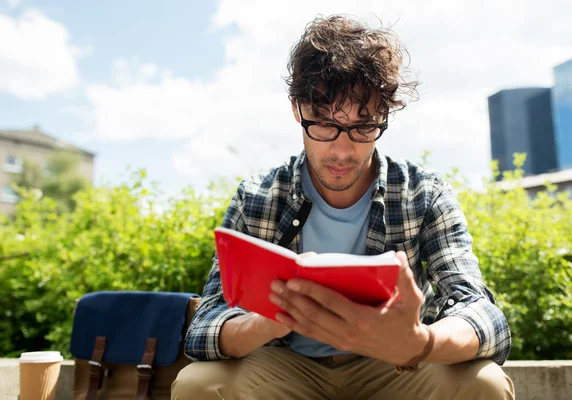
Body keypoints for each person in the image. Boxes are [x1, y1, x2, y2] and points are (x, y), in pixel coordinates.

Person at [172, 14, 515, 400]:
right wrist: (270, 321)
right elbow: (203, 328)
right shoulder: (257, 197)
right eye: (322, 124)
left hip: (396, 366)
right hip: (286, 367)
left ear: (384, 116)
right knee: (197, 385)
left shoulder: (424, 193)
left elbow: (482, 313)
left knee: (483, 383)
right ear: (296, 109)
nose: (341, 150)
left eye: (363, 127)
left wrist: (420, 343)